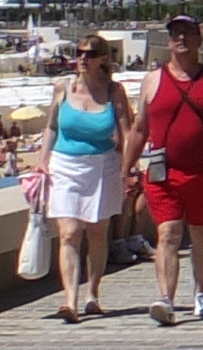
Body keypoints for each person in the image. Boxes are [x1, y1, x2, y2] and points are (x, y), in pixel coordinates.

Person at [135, 17, 203, 326]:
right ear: (168, 41)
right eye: (174, 34)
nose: (180, 38)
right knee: (167, 233)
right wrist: (127, 170)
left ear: (200, 39)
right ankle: (166, 299)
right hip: (162, 172)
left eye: (187, 33)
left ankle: (200, 291)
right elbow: (139, 129)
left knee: (201, 232)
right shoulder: (152, 80)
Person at [39, 36, 137, 324]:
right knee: (69, 232)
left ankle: (92, 293)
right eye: (79, 53)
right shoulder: (63, 88)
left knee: (97, 231)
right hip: (65, 165)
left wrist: (129, 168)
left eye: (90, 54)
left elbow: (127, 131)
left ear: (103, 58)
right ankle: (70, 300)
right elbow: (51, 128)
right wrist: (42, 161)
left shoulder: (114, 91)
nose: (83, 58)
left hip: (103, 165)